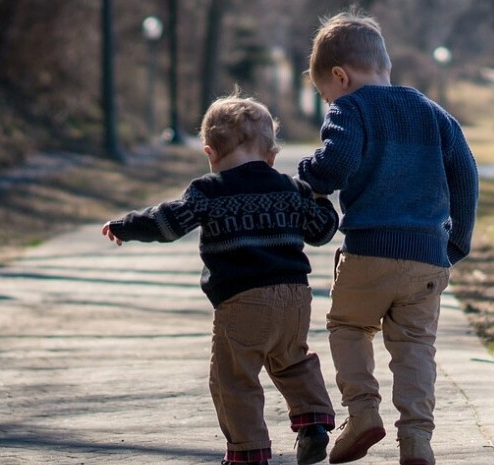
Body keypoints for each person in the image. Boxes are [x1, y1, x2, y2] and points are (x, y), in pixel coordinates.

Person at [102, 92, 339, 465]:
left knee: (234, 379)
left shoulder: (208, 190)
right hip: (295, 296)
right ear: (271, 155)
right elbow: (323, 231)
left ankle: (249, 452)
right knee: (293, 360)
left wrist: (126, 226)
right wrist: (319, 197)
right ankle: (313, 421)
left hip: (242, 300)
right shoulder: (289, 188)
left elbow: (167, 223)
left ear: (210, 153)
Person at [297, 10, 479, 465]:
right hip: (427, 256)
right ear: (385, 65)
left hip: (369, 251)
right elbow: (466, 175)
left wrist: (307, 175)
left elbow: (333, 167)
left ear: (340, 76)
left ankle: (362, 413)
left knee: (348, 327)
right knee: (415, 346)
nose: (328, 100)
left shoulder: (350, 108)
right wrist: (458, 241)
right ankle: (416, 439)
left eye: (325, 93)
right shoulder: (434, 113)